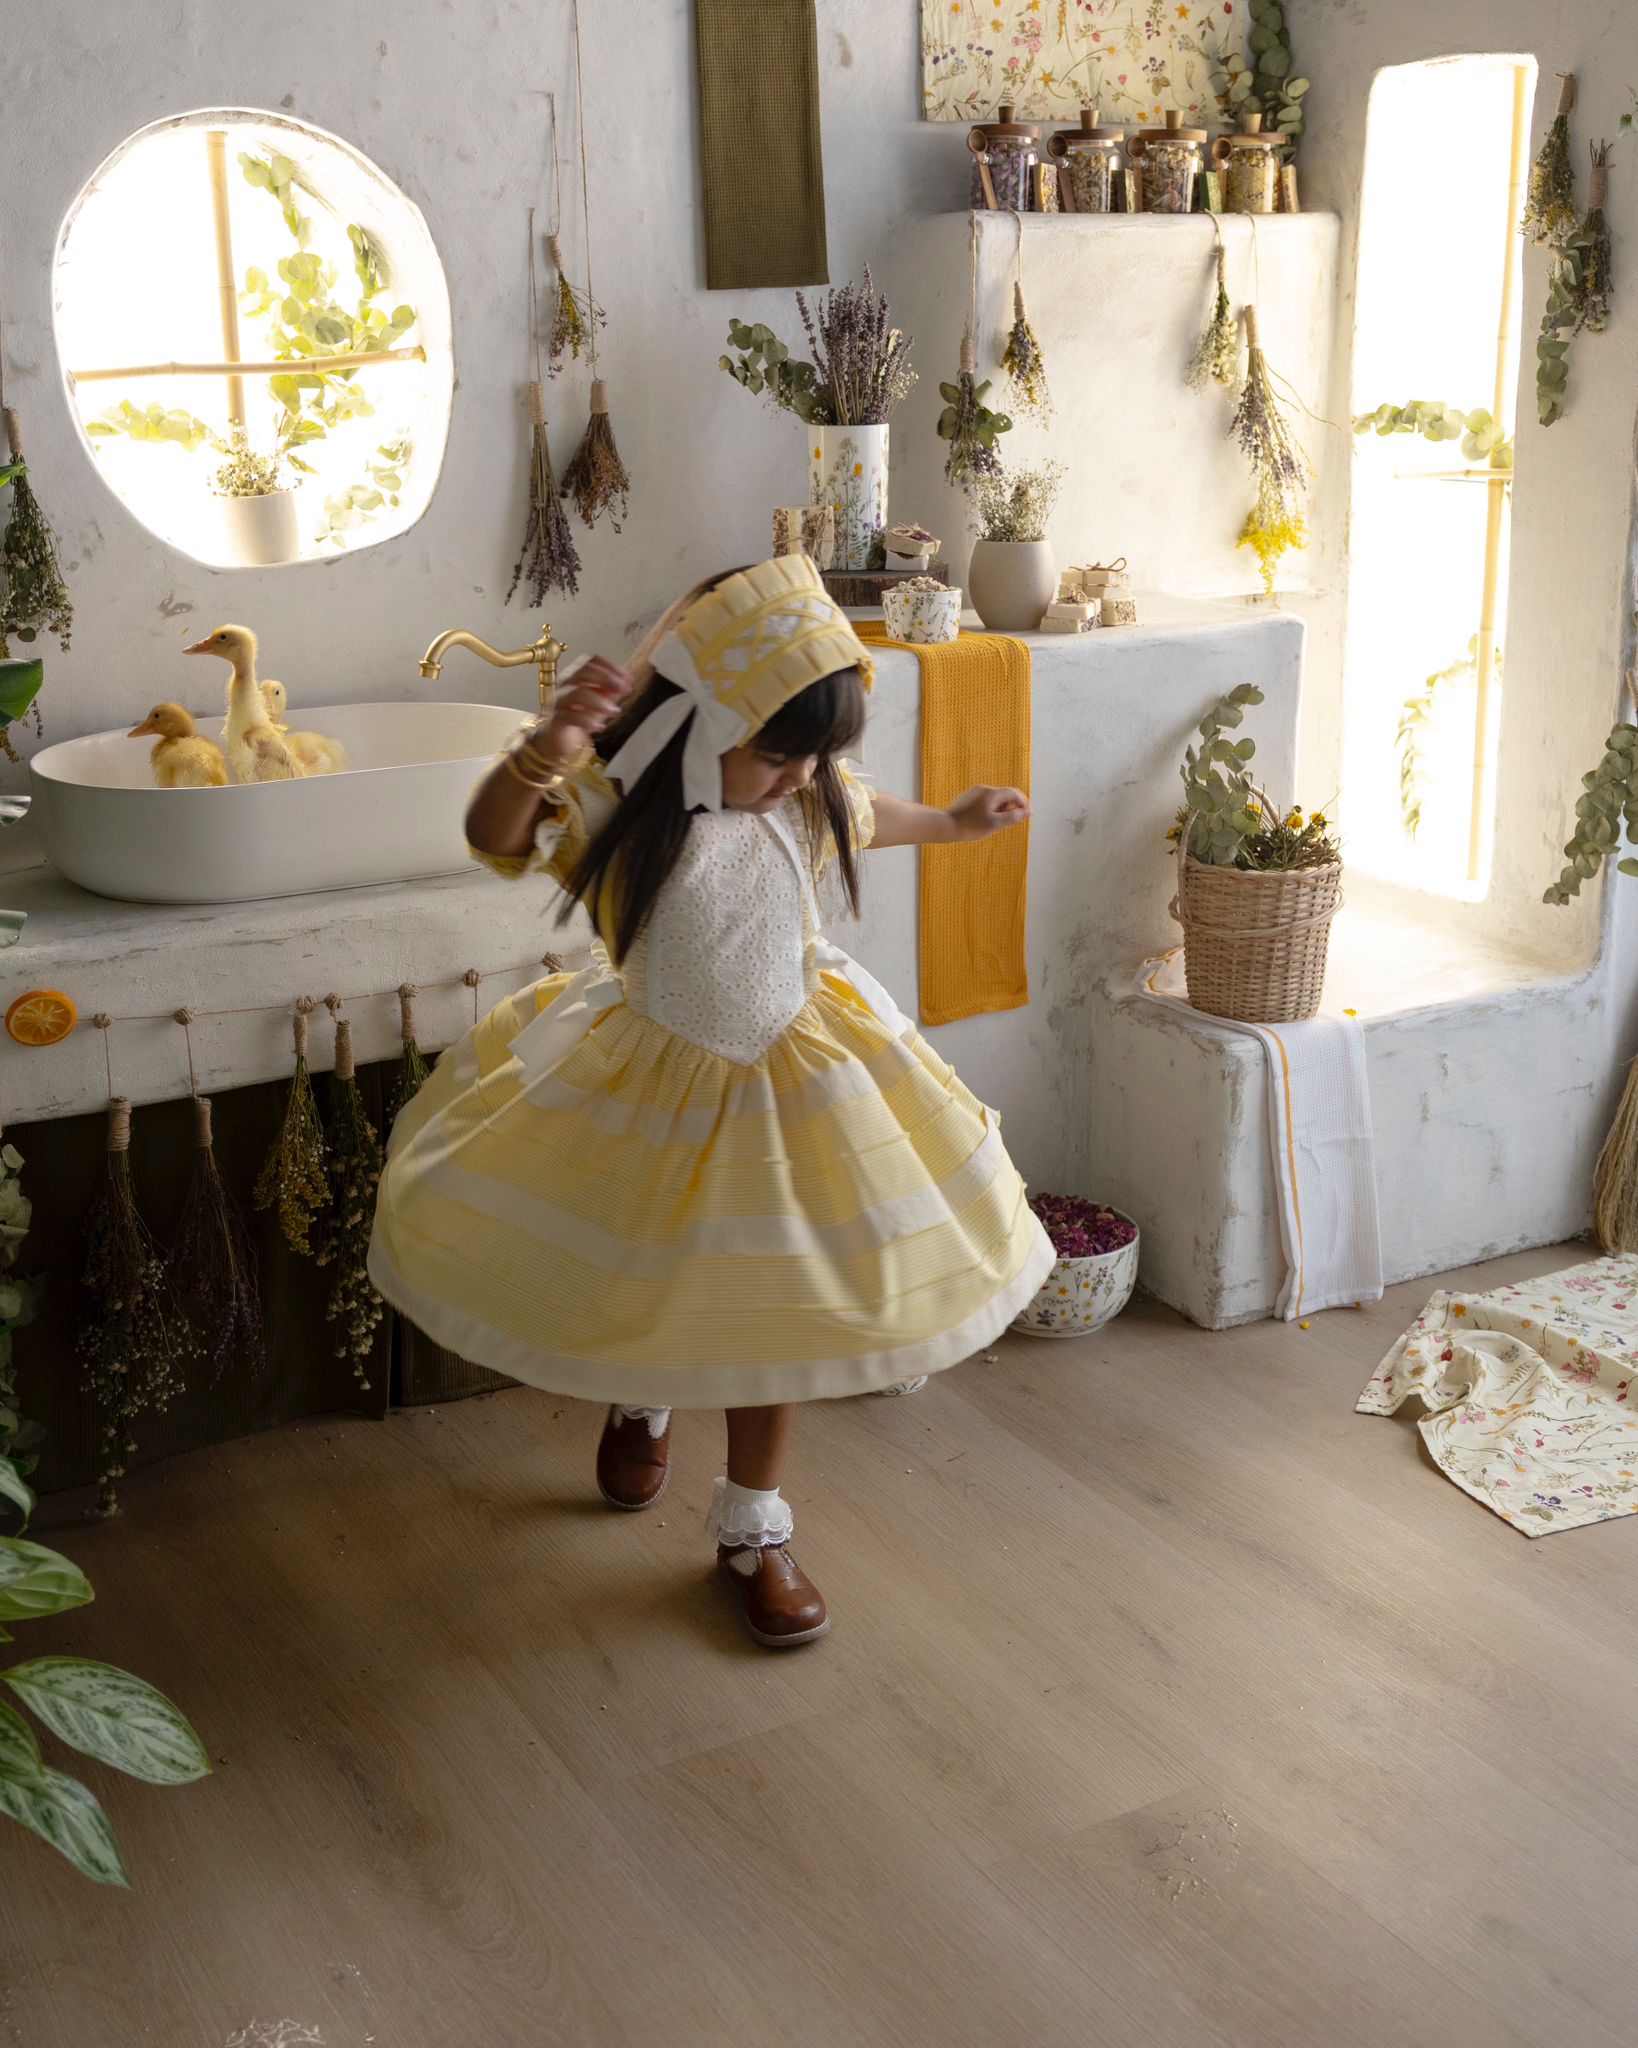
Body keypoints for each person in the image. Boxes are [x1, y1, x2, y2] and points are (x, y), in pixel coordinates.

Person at [369, 557, 1053, 1647]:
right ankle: (644, 1392)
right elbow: (497, 834)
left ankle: (752, 1529)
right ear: (698, 721)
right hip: (654, 1076)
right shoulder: (619, 808)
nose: (798, 778)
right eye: (774, 753)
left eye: (813, 756)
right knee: (645, 1262)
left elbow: (865, 812)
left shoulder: (806, 795)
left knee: (767, 1302)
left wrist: (953, 821)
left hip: (797, 1077)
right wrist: (552, 744)